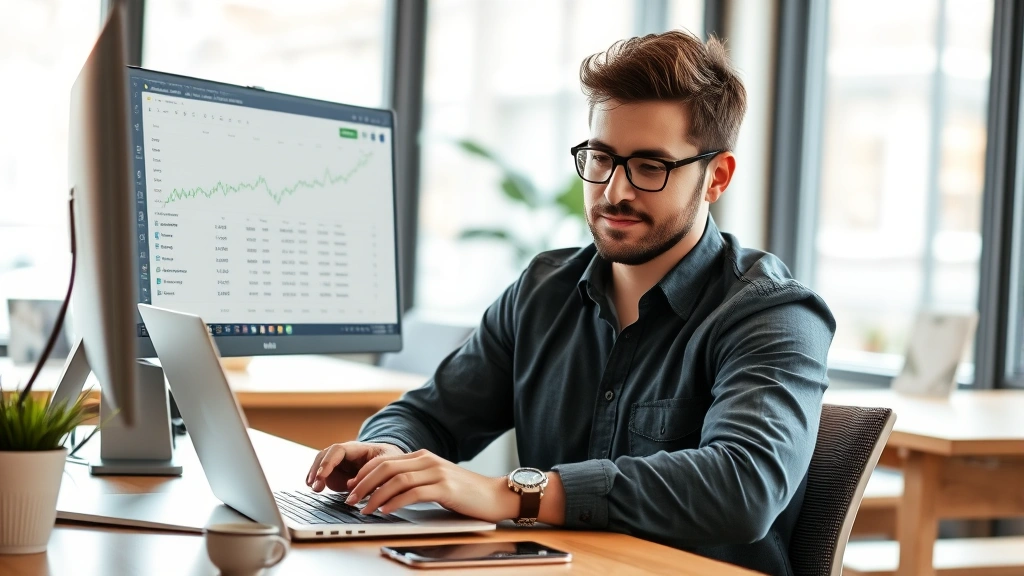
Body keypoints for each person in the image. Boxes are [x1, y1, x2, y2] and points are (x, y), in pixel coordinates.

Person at [306, 29, 835, 575]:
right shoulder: (543, 290)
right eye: (601, 157)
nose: (614, 191)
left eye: (650, 167)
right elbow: (430, 415)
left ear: (716, 176)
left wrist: (520, 496)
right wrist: (389, 454)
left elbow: (743, 486)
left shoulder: (773, 314)